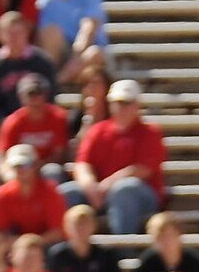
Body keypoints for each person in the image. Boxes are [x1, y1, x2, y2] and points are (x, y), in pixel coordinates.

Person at [63, 78, 165, 236]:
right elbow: (82, 164)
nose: (121, 108)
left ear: (137, 105)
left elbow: (143, 169)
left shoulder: (150, 132)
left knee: (124, 189)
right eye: (117, 102)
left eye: (126, 103)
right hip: (101, 193)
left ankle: (122, 250)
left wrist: (106, 186)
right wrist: (91, 187)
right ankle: (66, 252)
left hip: (140, 195)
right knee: (66, 193)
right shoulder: (98, 130)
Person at [0, 11, 56, 127]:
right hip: (4, 125)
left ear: (27, 33)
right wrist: (7, 123)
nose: (14, 38)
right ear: (0, 36)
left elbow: (50, 96)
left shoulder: (42, 63)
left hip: (39, 122)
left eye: (18, 33)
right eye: (10, 33)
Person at [0, 73, 71, 173]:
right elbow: (1, 154)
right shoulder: (12, 122)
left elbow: (60, 154)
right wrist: (6, 173)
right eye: (31, 94)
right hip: (19, 170)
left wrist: (37, 168)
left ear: (46, 95)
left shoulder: (58, 117)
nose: (36, 99)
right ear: (21, 97)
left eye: (39, 93)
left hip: (46, 169)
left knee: (53, 170)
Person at [0, 143, 65, 242]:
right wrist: (20, 245)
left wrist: (32, 245)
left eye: (25, 165)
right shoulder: (4, 194)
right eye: (16, 166)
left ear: (35, 165)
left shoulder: (50, 191)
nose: (20, 170)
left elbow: (58, 231)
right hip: (15, 245)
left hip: (46, 244)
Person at [34, 0, 107, 84]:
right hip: (61, 53)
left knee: (95, 53)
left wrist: (76, 57)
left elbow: (89, 27)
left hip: (84, 51)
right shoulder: (47, 0)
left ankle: (57, 81)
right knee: (51, 33)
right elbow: (43, 33)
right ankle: (51, 74)